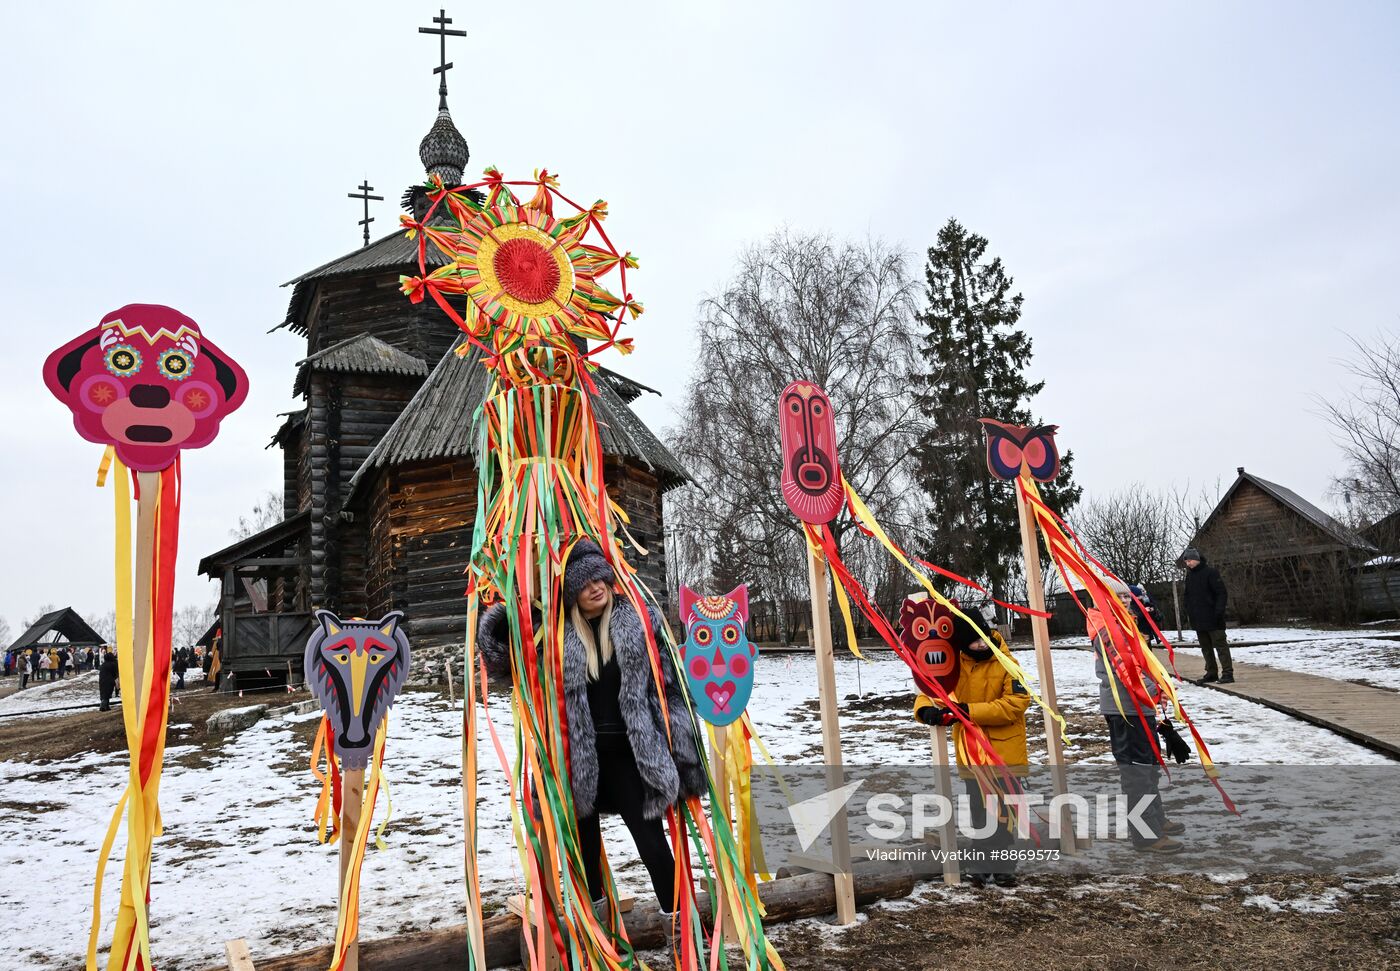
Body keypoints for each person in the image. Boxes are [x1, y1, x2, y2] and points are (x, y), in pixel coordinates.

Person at [477, 538, 706, 914]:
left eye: (599, 578)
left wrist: (685, 758)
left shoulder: (640, 623)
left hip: (632, 759)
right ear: (571, 593)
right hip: (577, 759)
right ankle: (596, 931)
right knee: (584, 854)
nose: (595, 587)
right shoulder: (556, 634)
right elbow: (505, 662)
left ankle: (681, 929)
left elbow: (671, 691)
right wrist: (508, 615)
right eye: (583, 584)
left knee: (652, 846)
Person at [914, 617, 1031, 888]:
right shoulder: (952, 666)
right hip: (971, 755)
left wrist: (968, 711)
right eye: (973, 641)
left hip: (1005, 754)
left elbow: (1016, 703)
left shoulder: (1007, 663)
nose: (980, 644)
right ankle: (982, 865)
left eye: (982, 637)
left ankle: (1001, 866)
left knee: (1004, 814)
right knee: (980, 813)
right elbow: (930, 689)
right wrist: (924, 710)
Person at [1089, 608, 1184, 854]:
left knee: (1149, 768)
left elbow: (1142, 663)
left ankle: (1156, 819)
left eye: (1126, 597)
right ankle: (1146, 835)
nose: (1124, 602)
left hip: (1141, 707)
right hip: (1126, 711)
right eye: (1118, 597)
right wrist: (1155, 690)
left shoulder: (1124, 625)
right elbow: (1127, 669)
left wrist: (1158, 687)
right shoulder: (1106, 630)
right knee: (1137, 774)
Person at [1182, 547, 1232, 684]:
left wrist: (1218, 611)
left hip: (1214, 617)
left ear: (1197, 559)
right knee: (1206, 648)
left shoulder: (1211, 573)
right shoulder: (1190, 576)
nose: (1188, 564)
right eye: (1186, 562)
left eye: (1190, 560)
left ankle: (1228, 673)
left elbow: (1221, 593)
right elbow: (1187, 595)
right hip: (1198, 618)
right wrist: (1188, 609)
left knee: (1221, 646)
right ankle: (1211, 672)